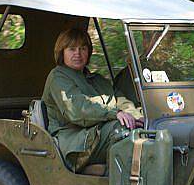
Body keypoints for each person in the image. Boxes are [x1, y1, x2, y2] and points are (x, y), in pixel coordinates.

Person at [42, 27, 143, 172]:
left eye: (82, 48)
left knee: (145, 129)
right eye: (71, 49)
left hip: (95, 136)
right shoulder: (58, 77)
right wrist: (115, 114)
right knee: (122, 130)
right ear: (62, 52)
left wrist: (137, 117)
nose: (78, 53)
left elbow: (120, 100)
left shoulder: (97, 80)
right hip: (74, 143)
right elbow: (78, 110)